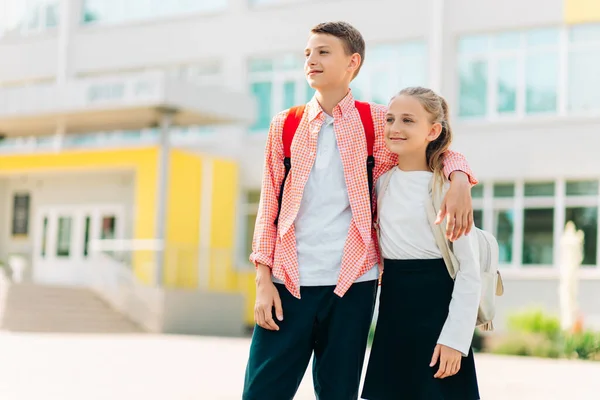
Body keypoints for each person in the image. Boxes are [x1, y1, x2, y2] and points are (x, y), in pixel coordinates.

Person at [243, 21, 478, 400]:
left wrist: (461, 178)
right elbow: (268, 203)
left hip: (353, 285)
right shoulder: (284, 125)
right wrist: (263, 280)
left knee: (339, 394)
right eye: (307, 53)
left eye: (322, 52)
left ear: (352, 62)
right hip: (288, 282)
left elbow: (434, 143)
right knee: (261, 392)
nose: (311, 60)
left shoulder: (378, 121)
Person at [361, 87, 481, 400]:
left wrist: (455, 339)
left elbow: (469, 271)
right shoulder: (380, 183)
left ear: (433, 130)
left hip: (439, 315)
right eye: (390, 119)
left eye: (408, 120)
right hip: (394, 315)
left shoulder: (446, 189)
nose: (395, 128)